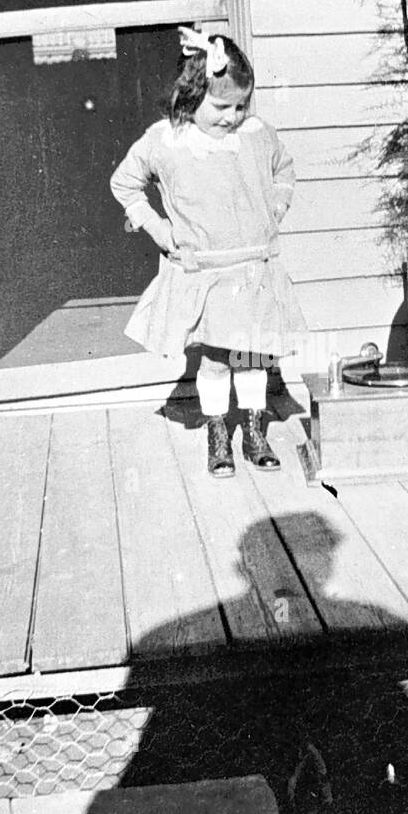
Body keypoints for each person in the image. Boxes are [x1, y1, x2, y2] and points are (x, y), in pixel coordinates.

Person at [110, 26, 306, 477]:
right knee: (218, 357)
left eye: (240, 106)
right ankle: (218, 431)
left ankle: (255, 430)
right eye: (221, 106)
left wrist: (274, 209)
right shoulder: (167, 141)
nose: (231, 116)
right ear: (189, 96)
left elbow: (284, 170)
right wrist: (157, 227)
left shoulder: (257, 134)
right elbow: (125, 184)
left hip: (253, 265)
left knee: (255, 354)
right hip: (206, 270)